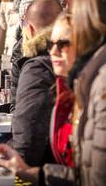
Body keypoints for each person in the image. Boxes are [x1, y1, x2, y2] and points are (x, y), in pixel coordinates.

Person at [0, 0, 106, 186]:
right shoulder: (86, 78)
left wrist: (28, 172)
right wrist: (31, 172)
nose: (54, 51)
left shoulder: (100, 83)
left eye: (63, 43)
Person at [10, 0, 63, 166]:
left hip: (46, 168)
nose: (57, 52)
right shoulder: (80, 56)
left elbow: (27, 137)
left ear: (30, 29)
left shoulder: (37, 67)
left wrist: (16, 165)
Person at [47, 13, 75, 167]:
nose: (53, 52)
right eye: (50, 44)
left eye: (63, 44)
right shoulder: (63, 91)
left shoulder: (98, 91)